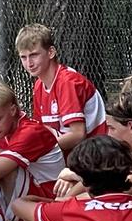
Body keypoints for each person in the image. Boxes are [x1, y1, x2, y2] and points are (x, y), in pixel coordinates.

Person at [0, 81, 65, 221]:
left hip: (48, 203)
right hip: (30, 197)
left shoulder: (30, 132)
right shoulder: (1, 129)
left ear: (13, 110)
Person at [15, 24, 106, 154]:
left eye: (34, 55)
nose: (29, 63)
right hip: (71, 154)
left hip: (94, 154)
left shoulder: (66, 81)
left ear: (51, 52)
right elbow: (42, 130)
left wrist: (38, 150)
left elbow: (78, 135)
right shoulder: (39, 85)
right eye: (23, 57)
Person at [54, 91, 132, 198]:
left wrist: (75, 175)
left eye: (112, 128)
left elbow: (104, 195)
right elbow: (102, 178)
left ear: (131, 127)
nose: (108, 134)